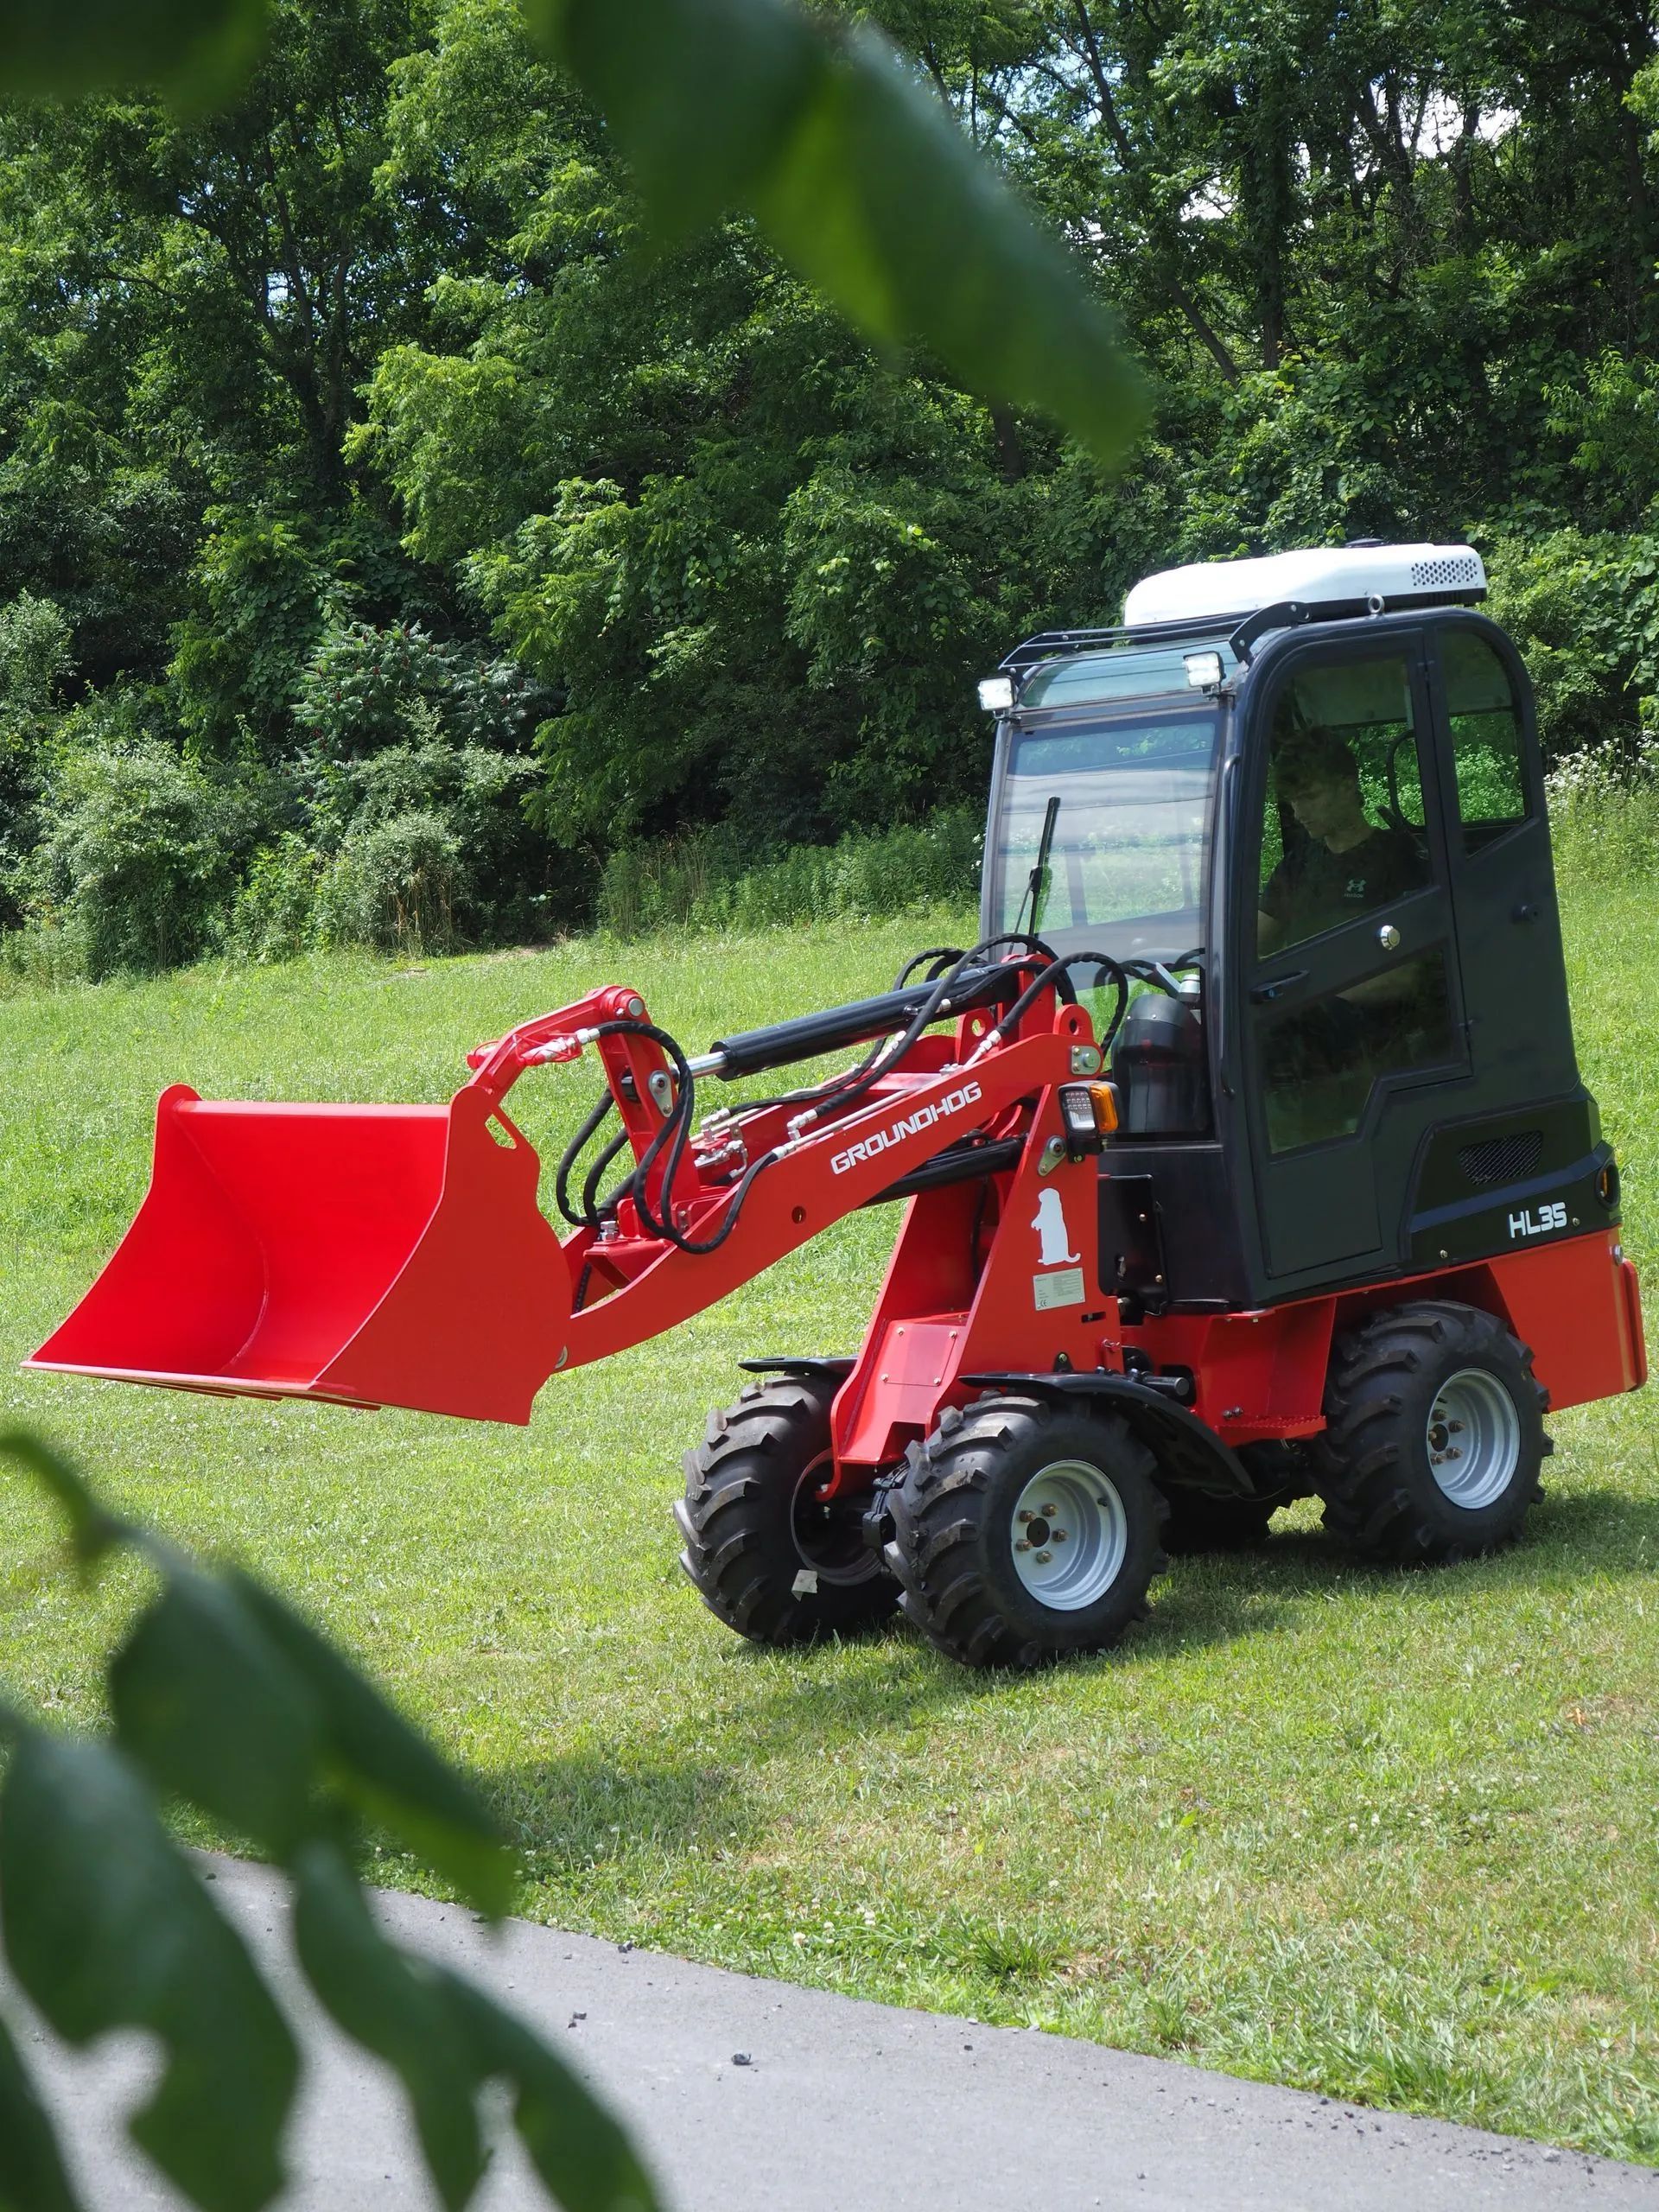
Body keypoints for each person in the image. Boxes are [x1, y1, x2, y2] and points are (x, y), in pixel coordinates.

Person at [1257, 724, 1423, 956]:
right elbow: (1253, 942)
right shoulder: (1297, 864)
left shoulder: (1399, 858)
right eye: (1293, 800)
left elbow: (1407, 970)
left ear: (1347, 786)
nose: (1299, 813)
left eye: (1309, 797)